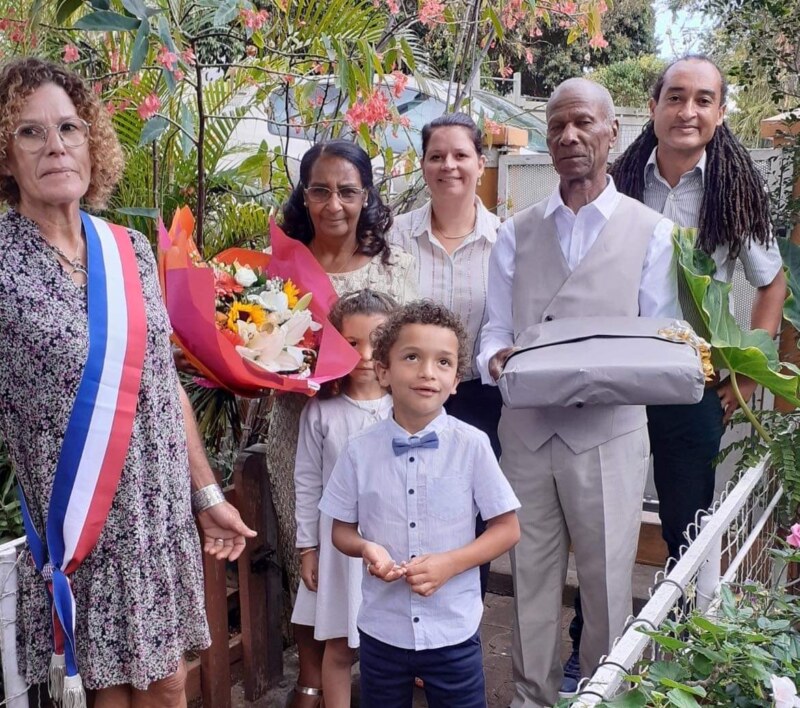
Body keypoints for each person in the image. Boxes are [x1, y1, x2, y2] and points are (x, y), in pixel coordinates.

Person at [0, 57, 255, 708]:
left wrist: (206, 493)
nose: (55, 146)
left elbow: (161, 385)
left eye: (69, 127)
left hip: (155, 526)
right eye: (30, 132)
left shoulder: (128, 250)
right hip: (82, 538)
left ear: (92, 142)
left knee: (170, 690)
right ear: (6, 155)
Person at [478, 78, 678, 707]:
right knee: (529, 581)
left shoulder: (652, 232)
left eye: (583, 122)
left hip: (609, 435)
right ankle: (530, 698)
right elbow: (495, 328)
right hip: (528, 435)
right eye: (557, 125)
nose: (568, 136)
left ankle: (602, 696)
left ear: (612, 131)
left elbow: (659, 341)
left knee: (608, 586)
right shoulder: (515, 232)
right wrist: (494, 359)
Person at [609, 54, 786, 563]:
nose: (688, 111)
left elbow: (772, 283)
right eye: (675, 97)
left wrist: (747, 375)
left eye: (703, 100)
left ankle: (684, 614)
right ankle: (593, 617)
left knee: (685, 524)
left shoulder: (735, 191)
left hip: (693, 384)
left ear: (721, 113)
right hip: (618, 380)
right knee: (605, 516)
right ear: (653, 107)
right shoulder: (620, 183)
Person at [270, 139, 417, 706]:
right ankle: (312, 677)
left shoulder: (394, 268)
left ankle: (389, 661)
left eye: (348, 191)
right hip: (303, 427)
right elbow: (257, 338)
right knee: (309, 557)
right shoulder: (281, 269)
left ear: (366, 196)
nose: (334, 203)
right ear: (304, 196)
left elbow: (413, 348)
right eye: (321, 190)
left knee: (382, 543)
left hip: (380, 424)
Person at [320, 301, 521, 707]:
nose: (428, 372)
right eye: (412, 357)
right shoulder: (359, 451)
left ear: (455, 381)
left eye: (443, 362)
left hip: (453, 630)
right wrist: (366, 548)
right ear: (384, 371)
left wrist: (451, 563)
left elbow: (507, 529)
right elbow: (341, 529)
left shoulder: (473, 446)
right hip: (382, 630)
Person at [292, 289, 398, 707]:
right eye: (352, 343)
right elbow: (307, 482)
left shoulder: (405, 407)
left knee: (389, 643)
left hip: (394, 540)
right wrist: (308, 548)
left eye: (377, 341)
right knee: (339, 644)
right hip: (339, 547)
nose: (366, 355)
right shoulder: (322, 412)